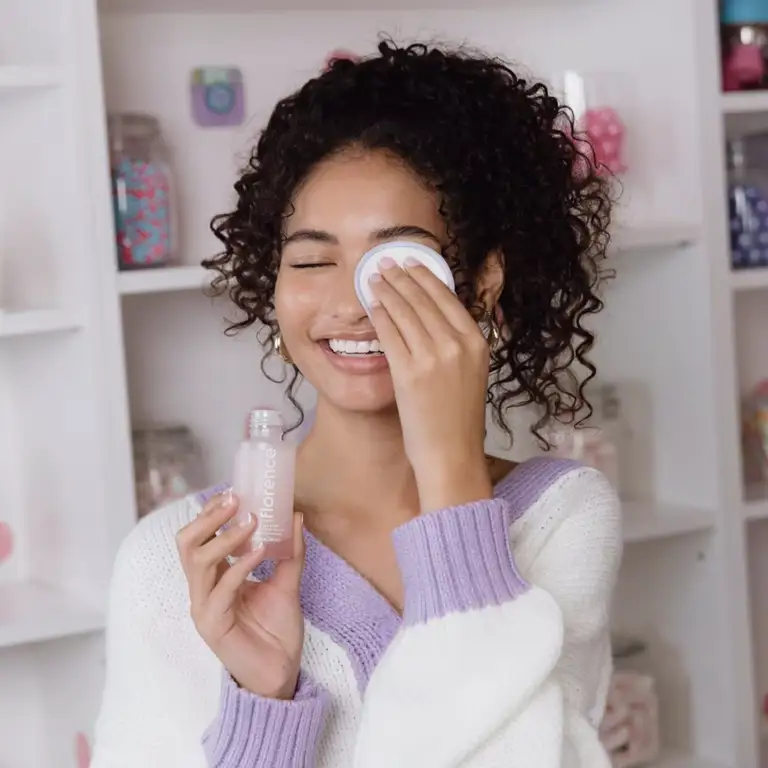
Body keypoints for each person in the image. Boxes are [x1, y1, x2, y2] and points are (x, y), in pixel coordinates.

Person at [91, 40, 622, 768]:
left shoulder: (561, 519)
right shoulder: (174, 563)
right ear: (272, 287)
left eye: (397, 262)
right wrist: (265, 701)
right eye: (310, 261)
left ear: (486, 283)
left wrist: (451, 481)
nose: (350, 304)